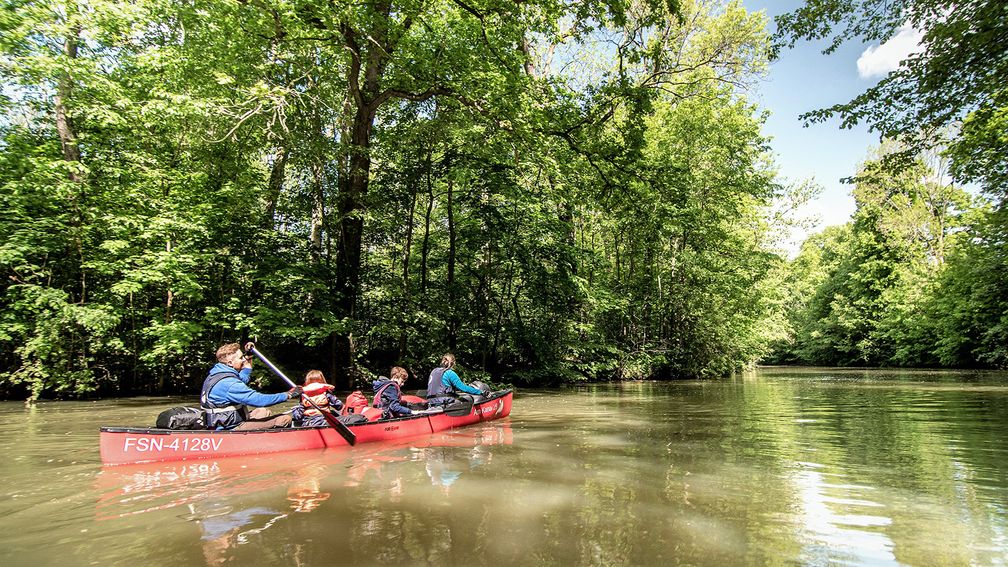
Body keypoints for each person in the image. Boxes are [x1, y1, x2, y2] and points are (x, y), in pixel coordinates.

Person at [200, 342, 297, 430]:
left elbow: (244, 377)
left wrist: (249, 356)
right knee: (284, 419)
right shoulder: (229, 384)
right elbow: (259, 400)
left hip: (227, 421)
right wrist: (288, 395)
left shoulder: (217, 373)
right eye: (241, 357)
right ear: (230, 363)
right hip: (230, 428)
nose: (243, 359)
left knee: (263, 412)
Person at [372, 366, 436, 419]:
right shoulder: (392, 387)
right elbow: (394, 406)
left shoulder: (383, 385)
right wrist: (411, 411)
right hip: (386, 415)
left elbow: (388, 401)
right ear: (395, 377)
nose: (403, 384)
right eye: (402, 381)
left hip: (379, 413)